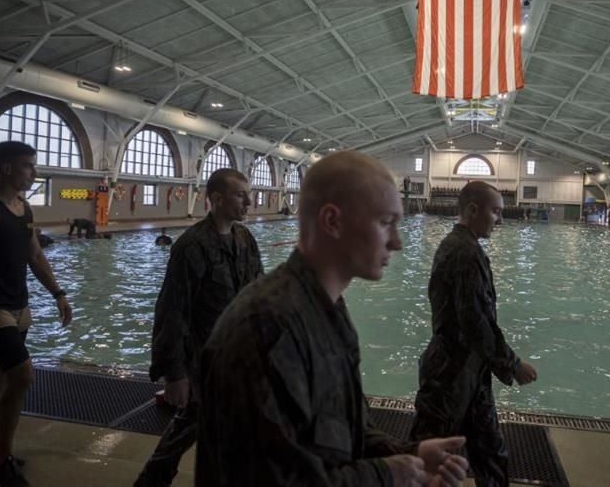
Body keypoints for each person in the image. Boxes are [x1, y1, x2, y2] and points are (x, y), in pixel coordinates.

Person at [195, 151, 469, 486]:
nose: (396, 242)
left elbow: (340, 427)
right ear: (332, 221)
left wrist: (408, 452)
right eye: (385, 222)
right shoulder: (267, 329)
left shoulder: (326, 309)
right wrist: (386, 475)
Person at [134, 168, 264, 487]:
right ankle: (153, 479)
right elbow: (171, 312)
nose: (250, 202)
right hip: (202, 361)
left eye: (249, 194)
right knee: (194, 423)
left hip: (238, 356)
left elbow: (258, 294)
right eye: (241, 195)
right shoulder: (191, 246)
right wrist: (175, 375)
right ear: (216, 199)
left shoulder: (244, 238)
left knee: (207, 424)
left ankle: (155, 479)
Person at [0, 141, 72, 487]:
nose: (33, 173)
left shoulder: (24, 208)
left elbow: (35, 256)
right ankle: (0, 458)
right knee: (23, 376)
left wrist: (58, 294)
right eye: (27, 166)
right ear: (6, 168)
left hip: (20, 307)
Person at [410, 181, 538, 487]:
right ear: (472, 210)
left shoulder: (462, 246)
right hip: (450, 375)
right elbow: (476, 322)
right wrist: (512, 363)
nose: (500, 219)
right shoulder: (464, 253)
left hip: (468, 370)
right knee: (427, 458)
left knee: (490, 451)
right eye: (495, 211)